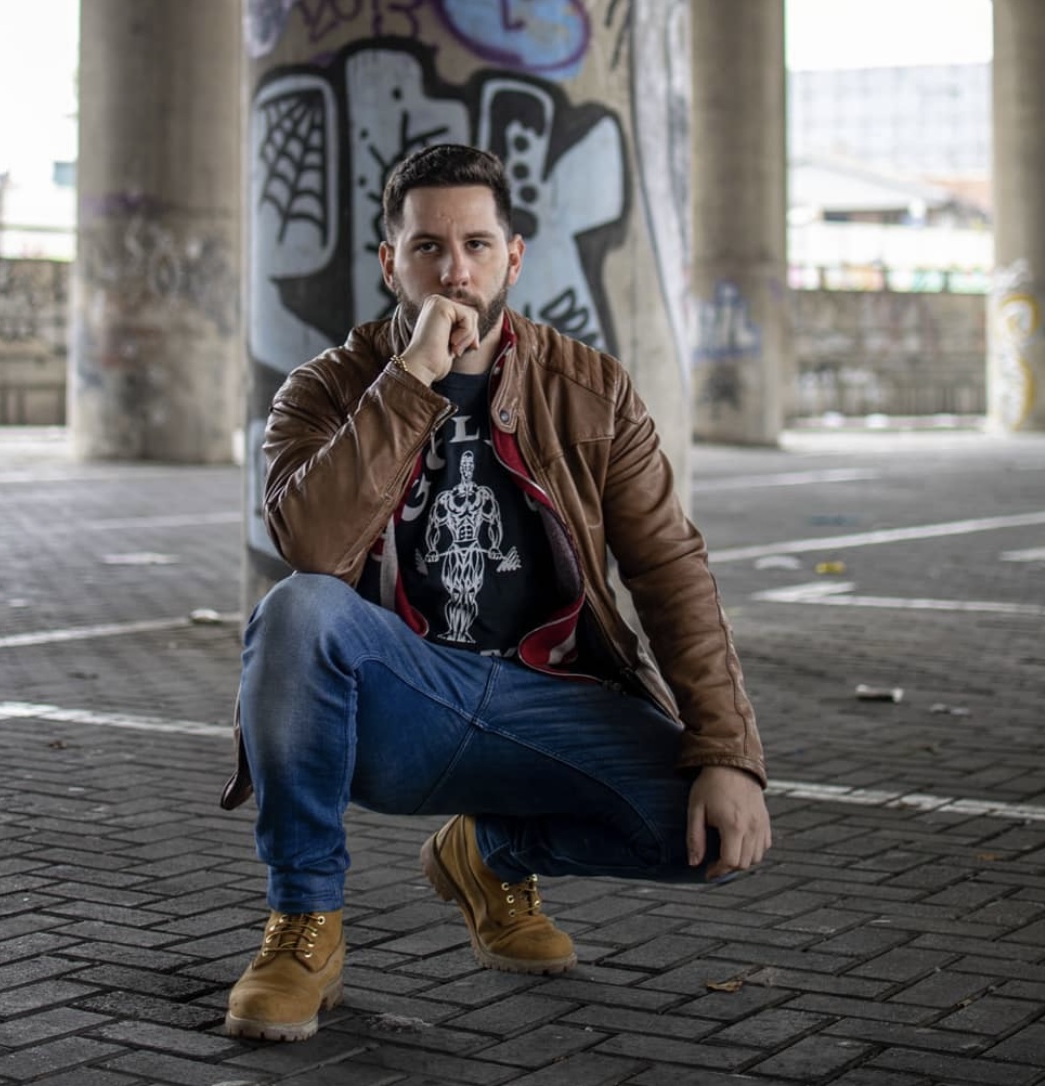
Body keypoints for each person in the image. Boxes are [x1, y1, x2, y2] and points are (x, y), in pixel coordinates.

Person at [221, 143, 771, 1043]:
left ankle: (489, 853)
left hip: (549, 700)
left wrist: (727, 750)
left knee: (711, 835)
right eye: (427, 247)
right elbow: (312, 548)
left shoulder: (591, 391)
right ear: (389, 263)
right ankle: (303, 925)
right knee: (297, 612)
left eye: (477, 244)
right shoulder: (322, 391)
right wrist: (409, 383)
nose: (455, 271)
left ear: (514, 256)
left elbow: (670, 569)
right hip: (403, 704)